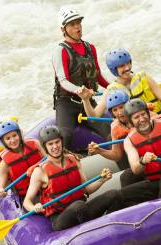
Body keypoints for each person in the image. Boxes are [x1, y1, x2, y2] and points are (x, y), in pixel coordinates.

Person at [23, 125, 123, 231]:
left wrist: (102, 180)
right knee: (78, 206)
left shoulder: (73, 160)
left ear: (62, 142)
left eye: (57, 142)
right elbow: (27, 201)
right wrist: (33, 207)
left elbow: (86, 189)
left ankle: (112, 228)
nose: (55, 146)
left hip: (82, 210)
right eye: (50, 144)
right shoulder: (40, 171)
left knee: (114, 194)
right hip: (61, 218)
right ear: (45, 147)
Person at [52, 7, 110, 150]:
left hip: (87, 102)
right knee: (65, 135)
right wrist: (80, 90)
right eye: (72, 24)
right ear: (63, 29)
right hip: (66, 103)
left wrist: (113, 86)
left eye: (78, 22)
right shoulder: (60, 50)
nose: (77, 26)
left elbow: (97, 75)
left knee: (109, 130)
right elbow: (63, 79)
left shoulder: (90, 47)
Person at [81, 48, 161, 120]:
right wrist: (85, 99)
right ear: (114, 70)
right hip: (139, 129)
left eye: (128, 63)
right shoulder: (111, 90)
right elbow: (94, 116)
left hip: (160, 121)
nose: (127, 68)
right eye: (122, 66)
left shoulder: (144, 78)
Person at [0, 120, 45, 203]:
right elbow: (2, 186)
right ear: (3, 142)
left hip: (46, 185)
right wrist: (0, 190)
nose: (13, 140)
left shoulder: (35, 143)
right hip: (28, 195)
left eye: (14, 135)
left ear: (19, 134)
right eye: (8, 138)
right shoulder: (4, 163)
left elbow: (49, 159)